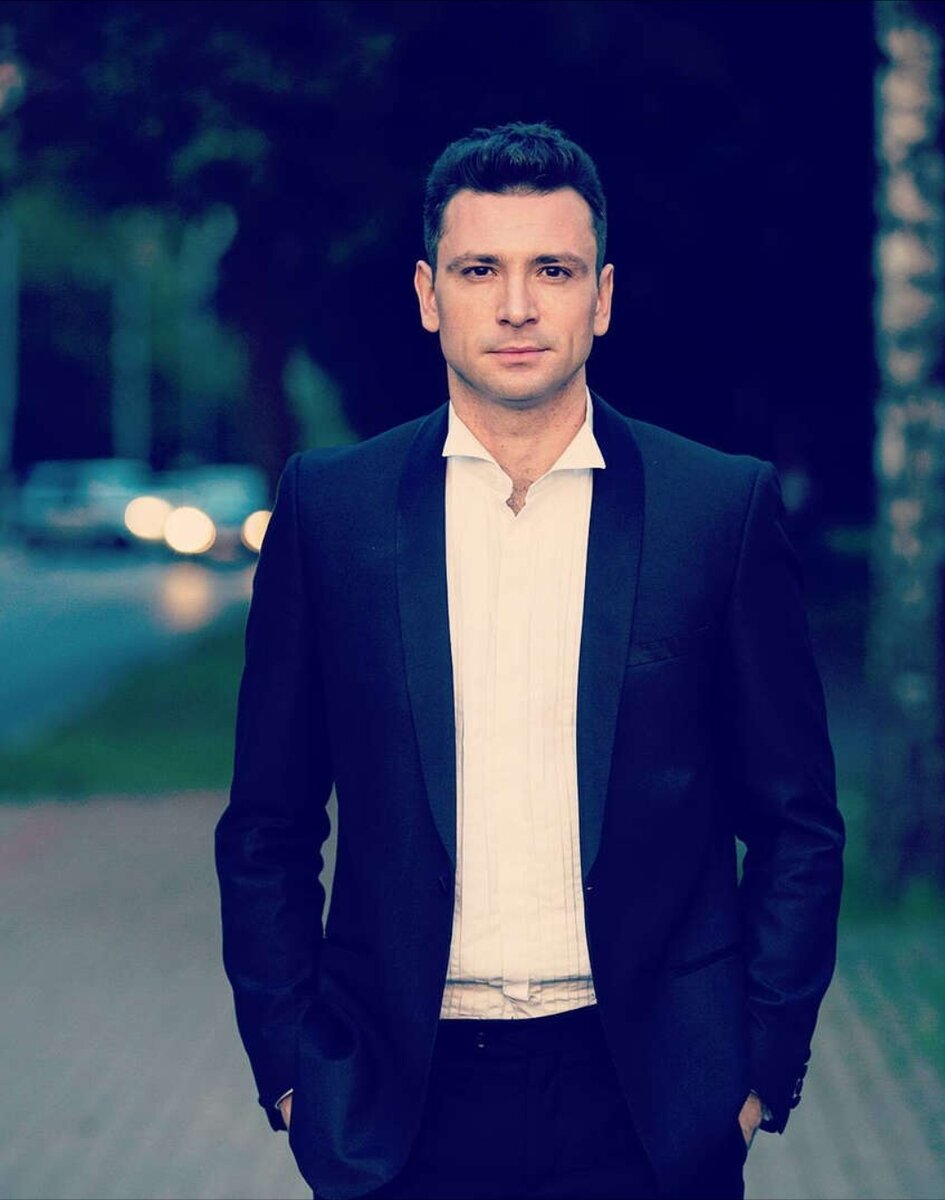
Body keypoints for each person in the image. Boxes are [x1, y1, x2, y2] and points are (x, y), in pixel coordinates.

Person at [215, 121, 844, 1200]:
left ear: (601, 297)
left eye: (552, 269)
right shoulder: (332, 511)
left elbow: (796, 823)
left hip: (649, 1105)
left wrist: (752, 1075)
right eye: (479, 271)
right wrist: (290, 1073)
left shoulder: (715, 510)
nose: (516, 306)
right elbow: (267, 824)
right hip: (397, 1103)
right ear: (428, 295)